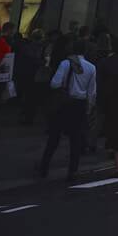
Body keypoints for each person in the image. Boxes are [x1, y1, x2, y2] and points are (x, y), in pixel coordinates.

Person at [37, 40, 97, 180]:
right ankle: (72, 170)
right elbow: (92, 92)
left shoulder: (65, 63)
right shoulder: (91, 68)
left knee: (54, 138)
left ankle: (44, 167)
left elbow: (54, 83)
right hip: (79, 105)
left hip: (63, 104)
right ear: (85, 51)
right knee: (75, 140)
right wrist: (89, 108)